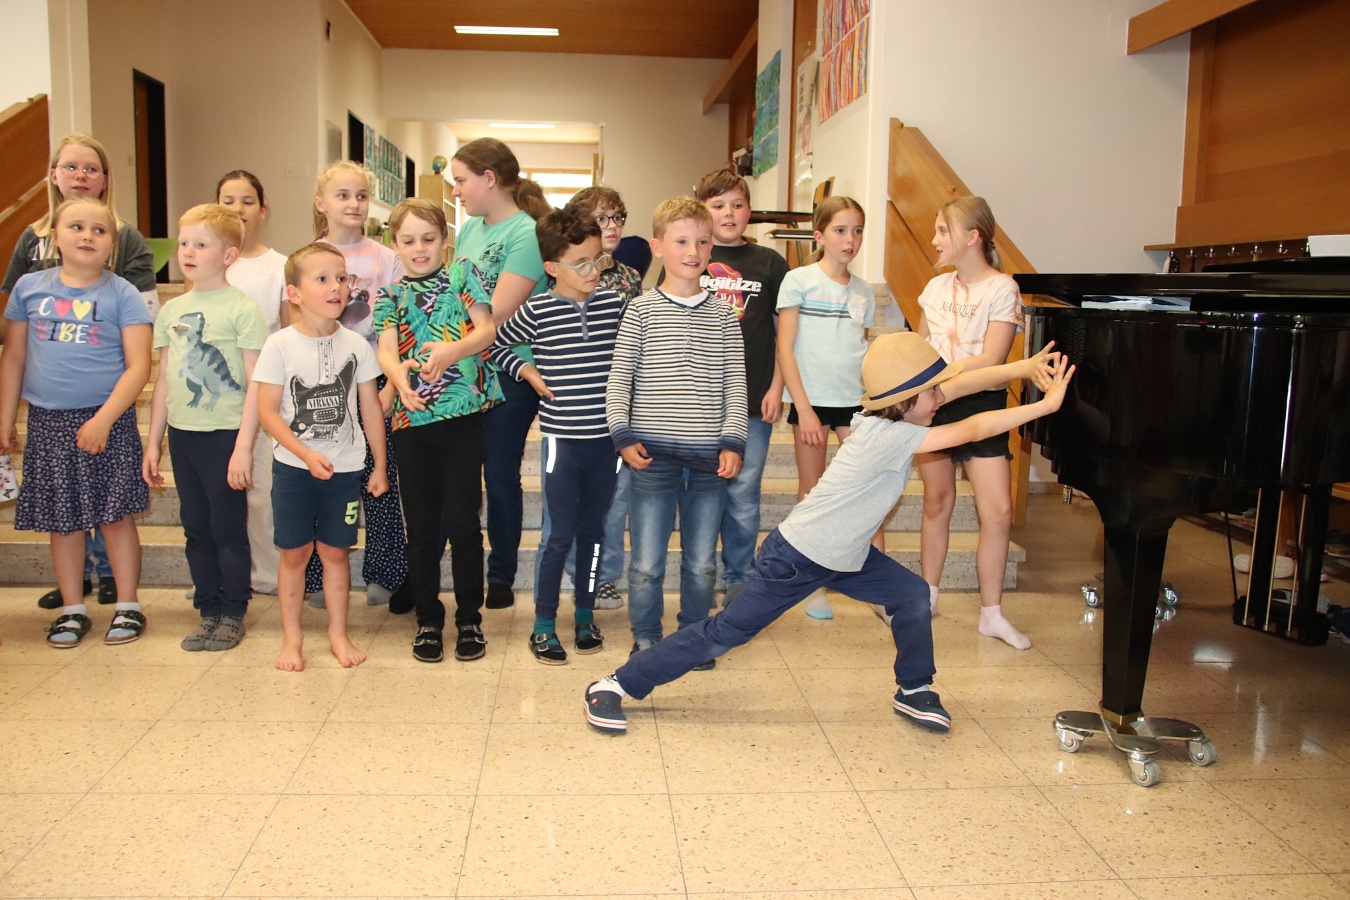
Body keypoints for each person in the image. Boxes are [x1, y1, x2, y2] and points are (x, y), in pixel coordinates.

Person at [584, 334, 1072, 735]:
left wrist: (1022, 368)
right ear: (907, 401)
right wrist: (1044, 407)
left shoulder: (887, 416)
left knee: (910, 595)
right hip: (797, 557)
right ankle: (616, 684)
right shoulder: (890, 436)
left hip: (847, 554)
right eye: (934, 393)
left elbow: (961, 382)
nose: (942, 398)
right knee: (724, 633)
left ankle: (914, 688)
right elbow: (974, 428)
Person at [1, 134, 158, 611]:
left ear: (113, 242)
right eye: (76, 227)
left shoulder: (122, 293)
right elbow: (14, 356)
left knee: (115, 516)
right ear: (54, 236)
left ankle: (127, 604)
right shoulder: (29, 288)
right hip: (48, 421)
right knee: (62, 521)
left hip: (106, 418)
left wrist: (105, 418)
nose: (87, 236)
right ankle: (72, 608)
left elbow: (139, 365)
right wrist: (6, 419)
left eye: (99, 230)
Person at [606, 196, 747, 662]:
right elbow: (619, 381)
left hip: (708, 463)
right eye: (682, 241)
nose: (693, 251)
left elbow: (735, 385)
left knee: (702, 563)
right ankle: (647, 636)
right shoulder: (640, 311)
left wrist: (733, 441)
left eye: (702, 242)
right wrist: (623, 436)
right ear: (658, 246)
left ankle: (693, 638)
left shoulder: (723, 315)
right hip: (652, 460)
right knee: (646, 563)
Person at [490, 208, 625, 665]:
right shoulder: (537, 310)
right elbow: (497, 344)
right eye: (581, 264)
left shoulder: (614, 305)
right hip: (562, 443)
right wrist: (527, 371)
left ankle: (585, 615)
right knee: (559, 534)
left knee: (594, 531)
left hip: (606, 443)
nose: (593, 271)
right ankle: (544, 624)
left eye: (598, 260)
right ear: (552, 268)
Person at [373, 199, 501, 663]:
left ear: (445, 240)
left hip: (462, 417)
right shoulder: (389, 295)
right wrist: (397, 378)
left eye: (428, 239)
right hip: (412, 421)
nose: (419, 248)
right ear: (395, 245)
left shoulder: (463, 274)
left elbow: (485, 330)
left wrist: (452, 351)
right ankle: (428, 619)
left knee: (464, 523)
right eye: (408, 240)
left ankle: (469, 618)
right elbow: (387, 350)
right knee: (422, 526)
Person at [253, 242, 388, 671]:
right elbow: (267, 413)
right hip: (294, 470)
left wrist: (379, 465)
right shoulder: (279, 345)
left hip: (345, 470)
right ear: (294, 293)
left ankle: (338, 634)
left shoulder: (357, 345)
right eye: (323, 279)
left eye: (342, 278)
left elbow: (369, 409)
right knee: (294, 554)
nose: (336, 287)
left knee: (335, 552)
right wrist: (306, 454)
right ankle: (292, 639)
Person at [143, 204, 267, 652]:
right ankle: (208, 609)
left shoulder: (243, 309)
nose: (188, 252)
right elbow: (163, 379)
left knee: (226, 528)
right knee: (195, 526)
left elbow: (255, 384)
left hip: (225, 436)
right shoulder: (172, 309)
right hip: (183, 435)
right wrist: (153, 442)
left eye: (201, 244)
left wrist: (243, 447)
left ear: (229, 255)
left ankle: (232, 610)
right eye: (184, 243)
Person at [916, 197, 1030, 649]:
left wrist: (941, 376)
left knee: (998, 510)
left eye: (943, 230)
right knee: (936, 500)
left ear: (972, 236)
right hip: (936, 405)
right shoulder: (934, 288)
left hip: (981, 404)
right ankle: (926, 596)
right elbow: (919, 346)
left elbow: (993, 358)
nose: (935, 239)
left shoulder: (1003, 288)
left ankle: (991, 614)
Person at [450, 138, 550, 610]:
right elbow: (455, 294)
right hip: (467, 365)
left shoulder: (526, 233)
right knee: (464, 470)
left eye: (461, 180)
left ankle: (502, 574)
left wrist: (446, 335)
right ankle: (468, 565)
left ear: (489, 178)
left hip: (511, 369)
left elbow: (497, 315)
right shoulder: (470, 229)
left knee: (499, 471)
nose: (456, 191)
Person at [306, 161, 407, 609]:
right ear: (321, 203)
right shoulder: (306, 257)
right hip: (321, 380)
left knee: (379, 476)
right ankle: (317, 575)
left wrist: (391, 388)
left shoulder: (386, 259)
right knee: (323, 478)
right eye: (343, 195)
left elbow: (401, 328)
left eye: (362, 195)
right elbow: (295, 323)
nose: (354, 203)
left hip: (375, 377)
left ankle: (385, 571)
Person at [776, 196, 876, 620]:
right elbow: (785, 347)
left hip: (854, 403)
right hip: (812, 402)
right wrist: (804, 409)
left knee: (868, 489)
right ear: (819, 236)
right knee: (812, 493)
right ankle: (810, 585)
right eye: (840, 230)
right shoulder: (798, 280)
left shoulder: (864, 291)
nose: (850, 239)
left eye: (857, 230)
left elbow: (861, 349)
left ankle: (877, 587)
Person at [694, 168, 790, 608]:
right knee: (702, 490)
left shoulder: (770, 263)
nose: (729, 213)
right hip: (698, 399)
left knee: (744, 491)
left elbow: (785, 335)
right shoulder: (690, 255)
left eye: (737, 204)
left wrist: (777, 388)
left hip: (753, 399)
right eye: (718, 205)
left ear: (749, 210)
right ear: (703, 211)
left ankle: (738, 575)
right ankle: (700, 572)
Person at [560, 186, 644, 611]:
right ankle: (574, 571)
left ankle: (605, 576)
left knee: (616, 497)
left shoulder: (630, 278)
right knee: (573, 497)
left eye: (618, 217)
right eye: (601, 218)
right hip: (577, 402)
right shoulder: (566, 273)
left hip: (621, 403)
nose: (612, 226)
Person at [217, 169, 287, 596]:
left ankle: (268, 573)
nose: (237, 209)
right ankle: (222, 573)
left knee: (261, 490)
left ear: (262, 211)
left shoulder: (278, 266)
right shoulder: (207, 260)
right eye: (227, 200)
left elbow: (288, 332)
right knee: (219, 491)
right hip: (216, 397)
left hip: (262, 392)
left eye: (247, 201)